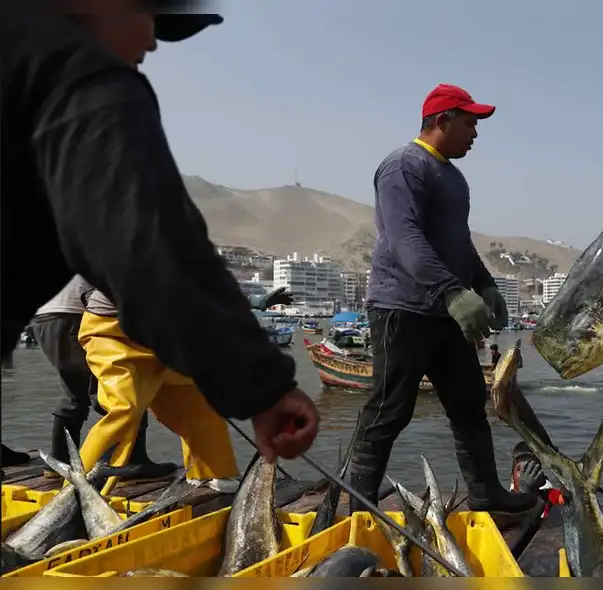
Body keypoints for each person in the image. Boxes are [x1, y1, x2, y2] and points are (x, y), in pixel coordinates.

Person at [1, 1, 319, 467]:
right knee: (119, 407)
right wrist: (266, 390)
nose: (152, 43)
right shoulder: (75, 71)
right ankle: (80, 481)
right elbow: (149, 251)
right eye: (150, 18)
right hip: (105, 329)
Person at [350, 83, 538, 516]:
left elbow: (460, 242)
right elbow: (403, 236)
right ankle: (357, 502)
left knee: (469, 403)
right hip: (401, 308)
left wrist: (484, 284)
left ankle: (487, 495)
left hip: (445, 313)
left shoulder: (454, 178)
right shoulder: (403, 167)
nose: (476, 133)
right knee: (389, 408)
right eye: (469, 123)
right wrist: (451, 290)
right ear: (441, 121)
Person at [30, 275, 178, 480]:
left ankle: (59, 461)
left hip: (44, 318)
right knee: (126, 389)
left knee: (74, 393)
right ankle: (129, 462)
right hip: (76, 315)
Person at [509, 442, 564, 519]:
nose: (525, 474)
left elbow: (572, 497)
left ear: (540, 477)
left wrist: (561, 468)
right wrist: (524, 495)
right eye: (519, 469)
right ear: (512, 477)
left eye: (532, 469)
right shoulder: (507, 500)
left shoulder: (549, 497)